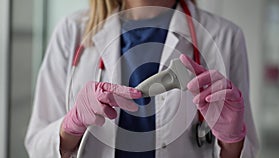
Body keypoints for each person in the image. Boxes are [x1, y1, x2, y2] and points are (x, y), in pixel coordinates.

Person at [25, 0, 259, 157]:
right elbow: (37, 146)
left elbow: (244, 152)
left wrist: (231, 141)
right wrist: (70, 128)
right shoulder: (72, 30)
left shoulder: (225, 36)